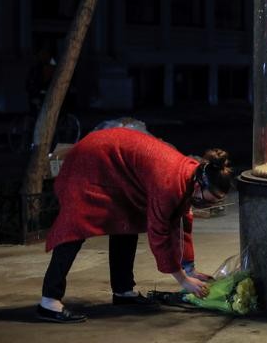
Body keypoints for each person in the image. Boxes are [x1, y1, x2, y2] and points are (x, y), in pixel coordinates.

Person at [35, 127, 234, 323]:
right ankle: (49, 301)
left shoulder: (193, 173)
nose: (210, 205)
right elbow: (159, 233)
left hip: (119, 167)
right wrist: (183, 280)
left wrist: (189, 268)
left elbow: (182, 222)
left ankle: (123, 291)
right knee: (75, 226)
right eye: (210, 199)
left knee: (127, 220)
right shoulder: (169, 184)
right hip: (93, 160)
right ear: (199, 186)